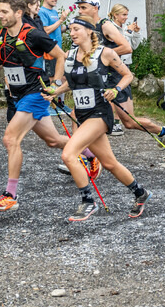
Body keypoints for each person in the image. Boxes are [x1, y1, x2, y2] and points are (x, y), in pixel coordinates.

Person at [49, 15, 152, 221]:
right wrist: (53, 92)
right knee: (110, 163)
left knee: (69, 154)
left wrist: (115, 90)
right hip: (83, 114)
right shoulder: (70, 55)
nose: (72, 33)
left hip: (100, 113)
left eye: (76, 29)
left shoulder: (105, 53)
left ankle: (88, 202)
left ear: (89, 31)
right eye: (70, 30)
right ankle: (141, 193)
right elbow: (71, 83)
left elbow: (127, 75)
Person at [0, 0, 69, 210]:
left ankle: (10, 195)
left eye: (4, 12)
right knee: (54, 141)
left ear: (18, 13)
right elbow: (1, 61)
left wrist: (56, 85)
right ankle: (89, 153)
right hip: (17, 95)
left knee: (10, 139)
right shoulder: (2, 34)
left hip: (36, 92)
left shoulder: (34, 34)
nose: (0, 15)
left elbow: (60, 55)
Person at [77, 0, 165, 145]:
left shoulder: (105, 25)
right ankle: (84, 153)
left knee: (129, 122)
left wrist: (103, 55)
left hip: (116, 77)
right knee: (85, 115)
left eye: (83, 7)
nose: (79, 10)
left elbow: (126, 48)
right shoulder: (86, 27)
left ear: (95, 8)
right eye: (79, 7)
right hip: (98, 78)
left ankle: (163, 131)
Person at [38, 0, 67, 79]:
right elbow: (45, 30)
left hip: (58, 49)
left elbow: (56, 29)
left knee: (61, 77)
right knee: (51, 77)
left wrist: (69, 27)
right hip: (49, 50)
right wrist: (61, 20)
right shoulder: (41, 12)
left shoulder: (54, 12)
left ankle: (56, 93)